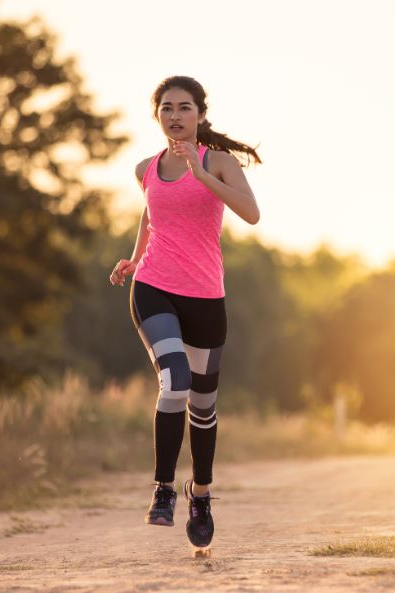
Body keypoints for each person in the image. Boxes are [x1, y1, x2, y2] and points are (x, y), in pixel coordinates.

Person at [108, 75, 261, 548]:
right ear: (158, 116)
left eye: (184, 108)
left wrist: (200, 173)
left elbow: (252, 214)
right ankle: (163, 489)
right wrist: (135, 258)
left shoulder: (219, 162)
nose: (175, 116)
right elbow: (151, 215)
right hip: (153, 286)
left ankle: (202, 492)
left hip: (205, 296)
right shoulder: (145, 168)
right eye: (167, 108)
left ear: (200, 114)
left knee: (203, 403)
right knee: (175, 380)